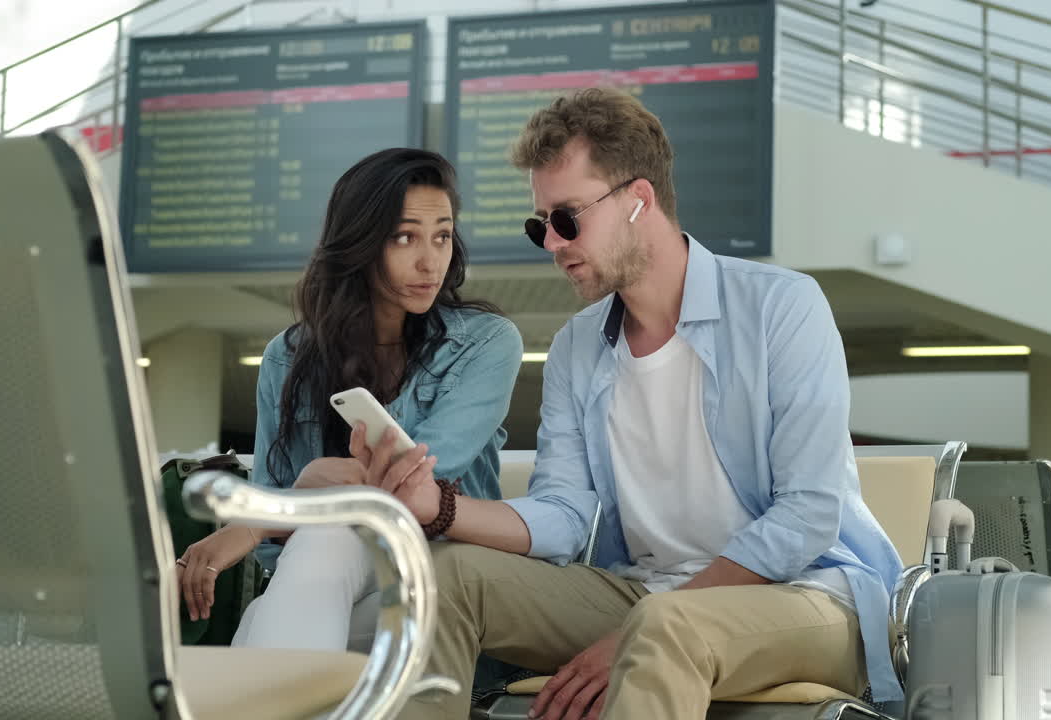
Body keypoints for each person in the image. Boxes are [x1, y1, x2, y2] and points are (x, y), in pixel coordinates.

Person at [383, 88, 902, 720]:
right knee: (441, 579)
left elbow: (807, 515)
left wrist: (640, 627)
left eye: (567, 218)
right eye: (540, 223)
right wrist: (436, 508)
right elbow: (565, 513)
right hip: (645, 594)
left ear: (639, 200)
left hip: (809, 597)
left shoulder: (782, 308)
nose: (551, 242)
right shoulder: (577, 346)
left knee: (664, 623)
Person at [174, 148, 523, 652]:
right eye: (405, 237)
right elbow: (281, 549)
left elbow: (414, 480)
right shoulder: (285, 358)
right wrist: (295, 498)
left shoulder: (487, 343)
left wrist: (289, 503)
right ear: (360, 241)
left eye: (442, 236)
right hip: (335, 589)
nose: (431, 261)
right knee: (302, 570)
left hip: (448, 585)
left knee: (295, 578)